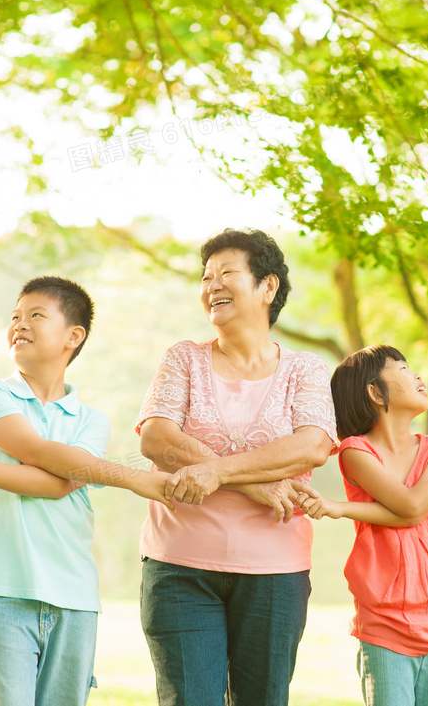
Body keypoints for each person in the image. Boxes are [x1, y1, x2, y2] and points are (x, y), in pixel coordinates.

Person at [0, 276, 173, 706]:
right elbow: (39, 452)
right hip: (3, 589)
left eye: (36, 315)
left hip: (74, 596)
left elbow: (61, 482)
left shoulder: (91, 419)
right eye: (15, 316)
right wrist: (135, 478)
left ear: (73, 336)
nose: (19, 324)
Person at [135, 228, 337, 706]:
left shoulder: (303, 369)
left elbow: (312, 446)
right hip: (179, 567)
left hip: (275, 573)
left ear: (267, 287)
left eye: (227, 273)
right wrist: (256, 484)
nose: (211, 285)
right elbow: (156, 437)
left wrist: (220, 473)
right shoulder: (184, 358)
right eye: (206, 277)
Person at [299, 345, 428, 706]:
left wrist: (339, 508)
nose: (417, 375)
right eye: (403, 369)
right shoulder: (355, 451)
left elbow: (414, 510)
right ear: (375, 392)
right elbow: (410, 505)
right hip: (384, 619)